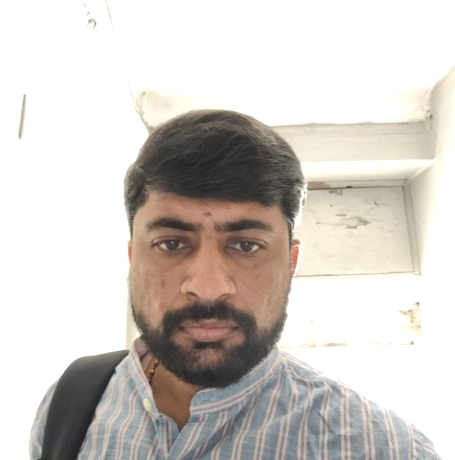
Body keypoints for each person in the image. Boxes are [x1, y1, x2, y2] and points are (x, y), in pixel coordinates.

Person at [30, 109, 441, 459]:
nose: (208, 288)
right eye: (171, 243)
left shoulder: (386, 449)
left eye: (246, 245)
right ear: (134, 257)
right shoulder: (67, 406)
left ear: (291, 264)